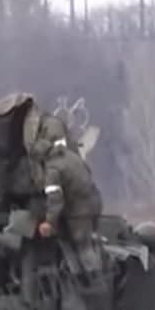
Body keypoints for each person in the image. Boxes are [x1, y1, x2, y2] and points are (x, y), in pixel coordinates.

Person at [36, 117, 103, 278]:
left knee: (82, 246)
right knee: (88, 244)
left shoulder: (52, 170)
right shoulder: (71, 156)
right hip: (94, 203)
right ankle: (89, 278)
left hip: (78, 211)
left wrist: (49, 222)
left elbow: (55, 200)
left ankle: (94, 281)